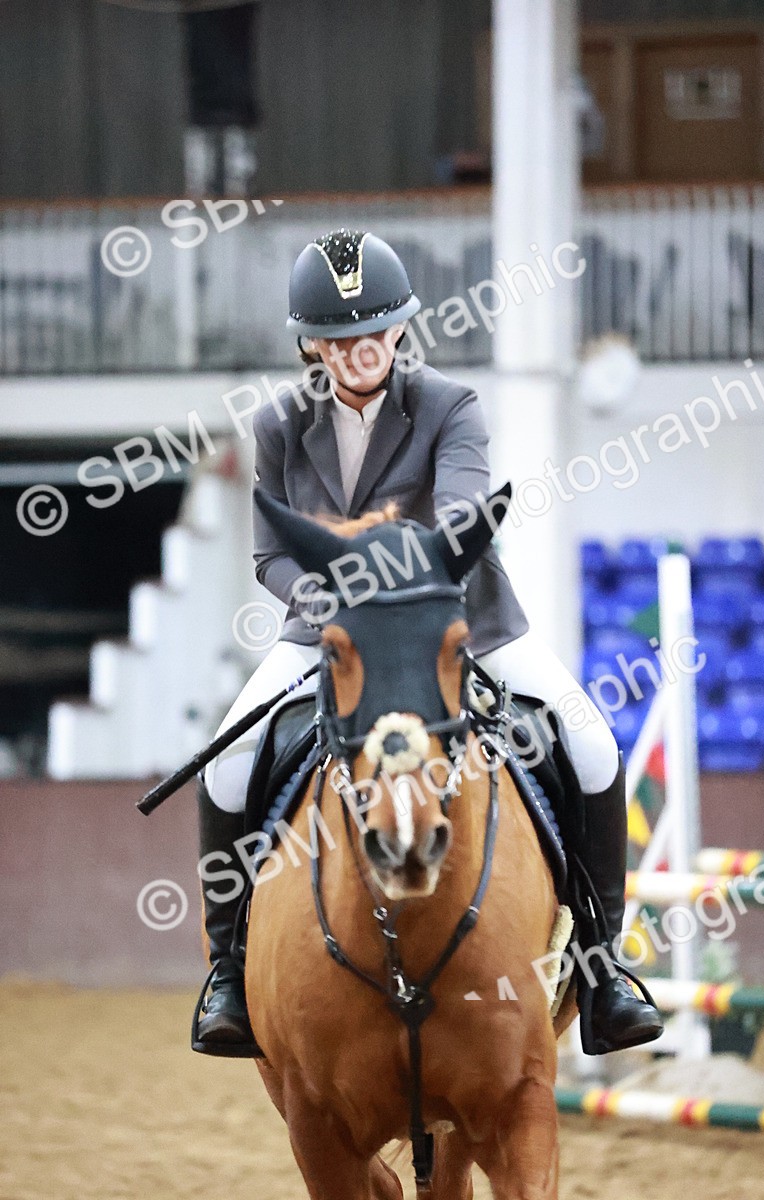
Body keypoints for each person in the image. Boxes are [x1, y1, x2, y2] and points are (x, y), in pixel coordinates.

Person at [194, 228, 663, 1058]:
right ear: (311, 343)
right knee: (227, 765)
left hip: (459, 623)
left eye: (373, 332)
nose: (357, 351)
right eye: (338, 339)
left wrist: (395, 600)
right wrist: (338, 607)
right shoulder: (274, 425)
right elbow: (271, 554)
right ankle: (227, 972)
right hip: (331, 635)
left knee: (590, 744)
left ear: (400, 330)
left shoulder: (451, 407)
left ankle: (601, 965)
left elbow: (458, 526)